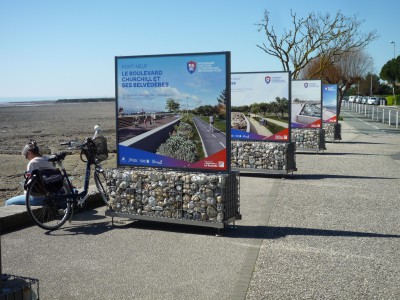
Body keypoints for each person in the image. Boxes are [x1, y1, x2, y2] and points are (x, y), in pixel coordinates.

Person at [5, 140, 55, 206]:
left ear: (30, 152)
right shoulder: (48, 159)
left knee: (8, 203)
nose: (26, 158)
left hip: (37, 197)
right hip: (51, 195)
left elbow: (30, 182)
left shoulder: (32, 163)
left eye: (26, 155)